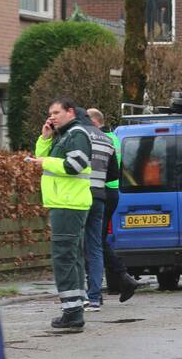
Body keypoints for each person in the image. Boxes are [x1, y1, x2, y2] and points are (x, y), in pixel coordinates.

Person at [31, 97, 92, 330]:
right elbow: (45, 162)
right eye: (50, 113)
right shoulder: (64, 135)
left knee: (63, 258)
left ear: (70, 112)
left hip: (69, 204)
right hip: (65, 203)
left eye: (56, 112)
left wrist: (46, 160)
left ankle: (72, 311)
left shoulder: (77, 134)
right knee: (71, 256)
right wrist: (45, 139)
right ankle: (75, 307)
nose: (52, 117)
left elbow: (73, 166)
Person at [88, 108, 139, 303]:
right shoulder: (114, 137)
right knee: (97, 240)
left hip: (102, 191)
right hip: (111, 192)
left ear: (94, 123)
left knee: (94, 241)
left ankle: (119, 279)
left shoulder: (101, 139)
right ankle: (116, 281)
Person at [74, 107, 114, 311]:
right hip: (98, 196)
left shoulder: (76, 136)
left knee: (76, 247)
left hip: (78, 196)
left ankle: (79, 296)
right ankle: (95, 296)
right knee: (95, 246)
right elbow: (113, 175)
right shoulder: (107, 140)